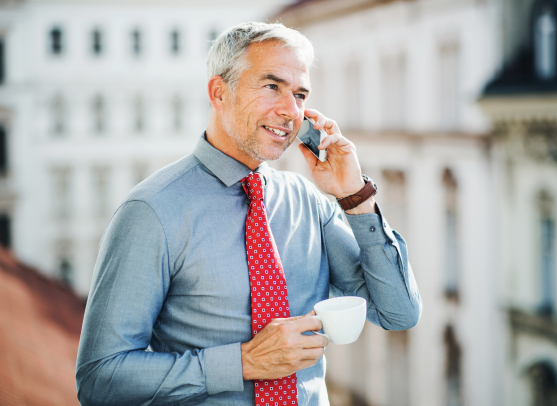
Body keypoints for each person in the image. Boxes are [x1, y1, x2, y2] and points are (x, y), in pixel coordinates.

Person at [76, 22, 422, 406]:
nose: (291, 111)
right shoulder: (150, 212)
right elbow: (100, 379)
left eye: (300, 94)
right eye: (272, 86)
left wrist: (355, 195)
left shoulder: (311, 203)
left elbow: (399, 313)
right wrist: (242, 363)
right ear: (219, 92)